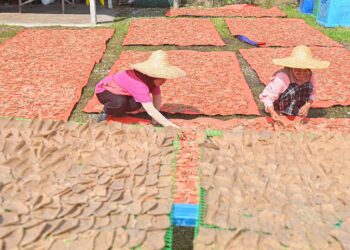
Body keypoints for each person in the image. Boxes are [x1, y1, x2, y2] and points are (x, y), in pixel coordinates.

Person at [95, 50, 186, 128]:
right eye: (163, 78)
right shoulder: (139, 84)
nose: (164, 80)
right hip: (106, 91)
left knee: (136, 105)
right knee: (119, 102)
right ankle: (106, 112)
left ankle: (118, 111)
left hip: (124, 93)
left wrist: (154, 120)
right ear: (155, 76)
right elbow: (150, 109)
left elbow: (157, 96)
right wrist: (168, 124)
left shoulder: (152, 80)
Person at [259, 45, 330, 122]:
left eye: (305, 70)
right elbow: (269, 97)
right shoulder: (282, 77)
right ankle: (279, 109)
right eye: (298, 70)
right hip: (278, 102)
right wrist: (272, 111)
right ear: (292, 67)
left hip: (295, 99)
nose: (302, 74)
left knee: (308, 86)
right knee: (293, 88)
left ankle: (295, 108)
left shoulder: (310, 74)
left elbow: (313, 93)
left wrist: (307, 105)